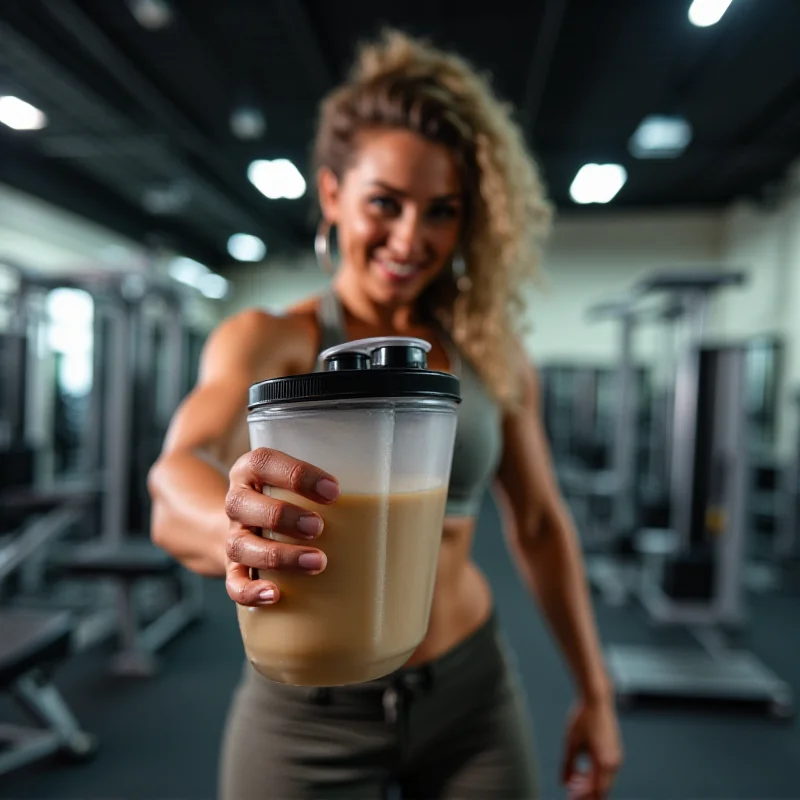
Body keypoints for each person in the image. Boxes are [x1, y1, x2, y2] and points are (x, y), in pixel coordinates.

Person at [148, 29, 623, 800]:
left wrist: (596, 693)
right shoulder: (272, 339)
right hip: (307, 708)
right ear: (333, 195)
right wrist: (228, 528)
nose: (411, 238)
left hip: (468, 691)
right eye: (385, 204)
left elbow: (539, 524)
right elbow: (177, 474)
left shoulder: (493, 353)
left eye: (441, 211)